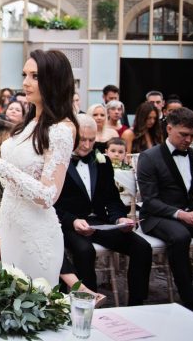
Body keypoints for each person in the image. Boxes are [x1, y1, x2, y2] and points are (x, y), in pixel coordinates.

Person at [0, 49, 78, 283]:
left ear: (53, 80)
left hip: (36, 235)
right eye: (25, 75)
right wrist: (0, 233)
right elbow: (12, 192)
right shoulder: (28, 125)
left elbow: (47, 195)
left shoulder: (61, 131)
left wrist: (2, 167)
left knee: (31, 309)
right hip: (11, 229)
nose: (26, 82)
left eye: (35, 76)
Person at [54, 114, 151, 306]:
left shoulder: (102, 161)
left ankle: (136, 304)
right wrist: (72, 221)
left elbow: (112, 199)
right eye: (82, 139)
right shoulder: (57, 162)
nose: (88, 145)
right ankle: (88, 305)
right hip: (69, 225)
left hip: (99, 222)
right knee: (84, 251)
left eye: (92, 140)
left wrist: (119, 220)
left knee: (142, 247)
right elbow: (53, 204)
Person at [137, 107, 193, 311]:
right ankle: (188, 300)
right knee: (180, 236)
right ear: (169, 128)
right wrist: (182, 215)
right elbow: (150, 201)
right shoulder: (149, 157)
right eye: (184, 135)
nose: (188, 140)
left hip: (189, 212)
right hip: (156, 216)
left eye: (192, 135)